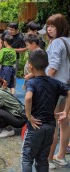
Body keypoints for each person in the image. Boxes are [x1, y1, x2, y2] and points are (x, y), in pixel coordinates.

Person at [22, 49, 70, 172]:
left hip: (35, 126)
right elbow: (69, 92)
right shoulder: (55, 82)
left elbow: (28, 97)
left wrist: (29, 116)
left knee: (27, 158)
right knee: (42, 160)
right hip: (50, 127)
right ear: (47, 64)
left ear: (30, 67)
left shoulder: (31, 82)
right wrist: (65, 111)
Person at [45, 14, 70, 169]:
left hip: (55, 89)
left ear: (60, 27)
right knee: (65, 123)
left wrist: (41, 81)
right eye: (48, 26)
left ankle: (48, 160)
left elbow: (53, 67)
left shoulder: (56, 43)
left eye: (53, 26)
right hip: (67, 89)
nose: (49, 29)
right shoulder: (68, 41)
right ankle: (61, 156)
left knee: (51, 124)